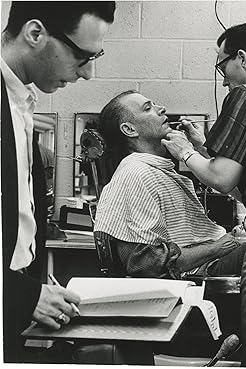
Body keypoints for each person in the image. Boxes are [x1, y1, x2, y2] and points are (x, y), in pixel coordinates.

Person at [161, 23, 246, 367]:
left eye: (222, 67)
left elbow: (222, 180)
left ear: (242, 58)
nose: (223, 79)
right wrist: (204, 145)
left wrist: (184, 153)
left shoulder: (245, 94)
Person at [1, 1, 115, 362]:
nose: (88, 74)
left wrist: (32, 285)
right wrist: (20, 294)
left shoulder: (20, 102)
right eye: (83, 57)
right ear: (35, 33)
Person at [94, 90, 246, 280]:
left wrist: (202, 149)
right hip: (200, 273)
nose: (162, 109)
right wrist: (218, 246)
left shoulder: (156, 171)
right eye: (148, 108)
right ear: (130, 129)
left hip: (212, 262)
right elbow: (145, 263)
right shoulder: (136, 173)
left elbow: (239, 191)